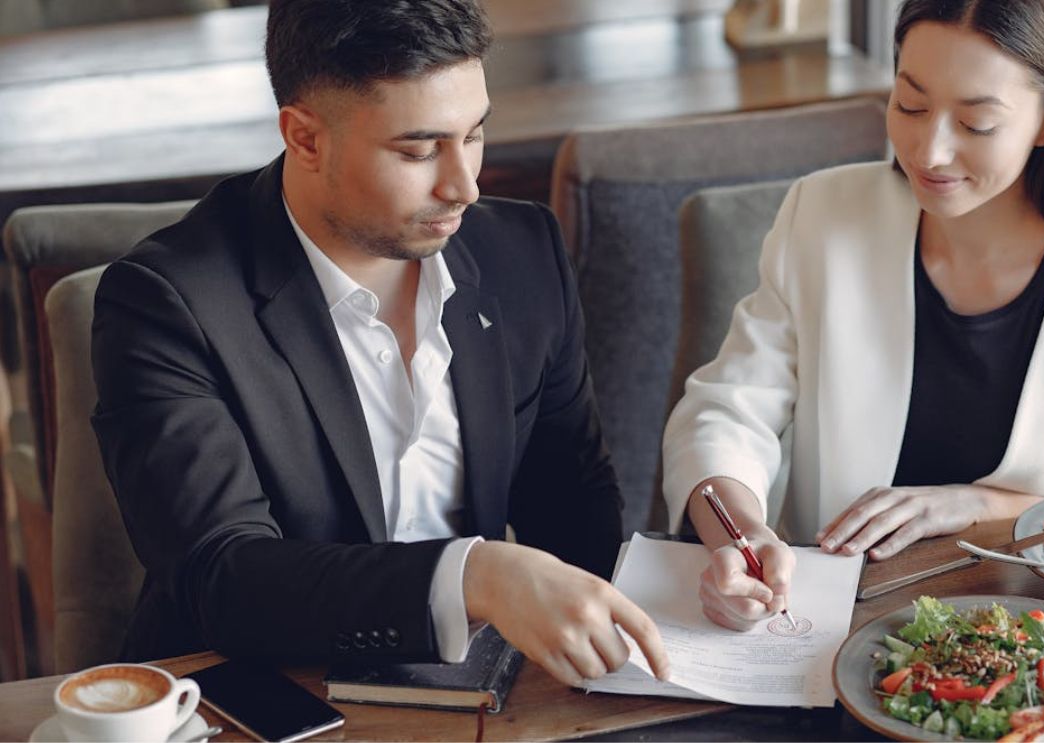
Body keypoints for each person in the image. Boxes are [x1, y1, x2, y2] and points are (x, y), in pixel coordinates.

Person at [91, 0, 668, 687]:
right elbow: (224, 577)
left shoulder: (523, 253)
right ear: (304, 138)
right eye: (418, 150)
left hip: (491, 693)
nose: (464, 185)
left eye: (474, 134)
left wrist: (691, 581)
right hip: (266, 693)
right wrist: (473, 576)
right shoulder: (165, 302)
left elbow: (573, 506)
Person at [662, 0, 1044, 631]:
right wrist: (737, 542)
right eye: (909, 105)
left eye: (977, 123)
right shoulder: (822, 216)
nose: (929, 151)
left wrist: (983, 505)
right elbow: (726, 412)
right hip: (826, 625)